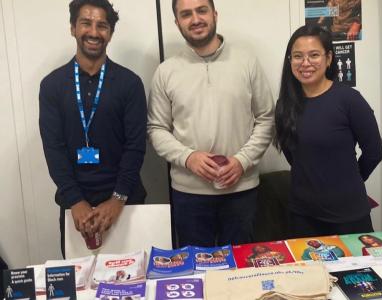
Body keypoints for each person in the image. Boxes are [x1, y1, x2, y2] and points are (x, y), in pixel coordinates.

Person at [147, 0, 274, 247]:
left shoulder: (246, 62)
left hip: (241, 190)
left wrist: (242, 161)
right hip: (188, 195)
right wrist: (188, 157)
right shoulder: (166, 72)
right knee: (195, 271)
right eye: (186, 14)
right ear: (177, 22)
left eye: (201, 10)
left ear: (214, 14)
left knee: (239, 271)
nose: (195, 19)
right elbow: (156, 128)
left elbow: (266, 118)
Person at [39, 0, 147, 256]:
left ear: (110, 33)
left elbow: (136, 145)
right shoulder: (52, 85)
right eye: (86, 23)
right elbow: (53, 148)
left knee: (134, 284)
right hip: (75, 207)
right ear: (73, 28)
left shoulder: (130, 83)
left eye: (102, 25)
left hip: (126, 203)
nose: (94, 32)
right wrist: (75, 201)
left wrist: (117, 199)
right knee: (81, 287)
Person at [274, 25, 382, 238]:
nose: (305, 63)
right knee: (309, 271)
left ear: (329, 58)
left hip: (348, 215)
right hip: (302, 216)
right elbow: (293, 155)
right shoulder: (284, 105)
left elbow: (374, 151)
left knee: (355, 272)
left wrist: (349, 180)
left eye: (314, 55)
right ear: (290, 61)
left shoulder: (349, 99)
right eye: (297, 56)